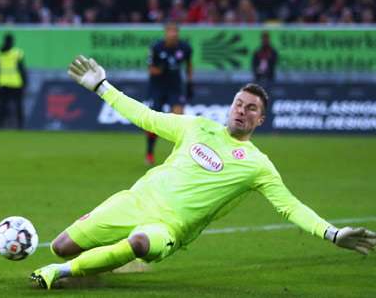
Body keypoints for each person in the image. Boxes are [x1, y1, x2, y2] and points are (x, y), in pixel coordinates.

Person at [30, 55, 376, 290]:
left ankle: (64, 273)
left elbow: (290, 207)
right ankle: (87, 270)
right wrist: (102, 86)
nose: (242, 111)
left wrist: (332, 233)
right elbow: (145, 116)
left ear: (260, 120)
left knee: (137, 243)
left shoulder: (257, 164)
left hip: (169, 227)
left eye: (251, 108)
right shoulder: (196, 127)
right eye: (239, 104)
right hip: (135, 201)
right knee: (62, 245)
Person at [146, 22, 193, 165]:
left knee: (179, 120)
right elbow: (151, 70)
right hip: (158, 87)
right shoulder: (156, 48)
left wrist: (190, 83)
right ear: (165, 32)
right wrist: (162, 68)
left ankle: (179, 156)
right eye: (170, 31)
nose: (173, 34)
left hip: (175, 87)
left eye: (175, 31)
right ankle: (149, 152)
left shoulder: (185, 48)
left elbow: (189, 65)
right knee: (154, 122)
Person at [0, 33, 27, 129]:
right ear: (12, 41)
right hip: (16, 83)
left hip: (2, 83)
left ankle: (0, 125)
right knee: (18, 106)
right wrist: (25, 82)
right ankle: (20, 126)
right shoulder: (17, 53)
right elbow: (22, 69)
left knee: (2, 106)